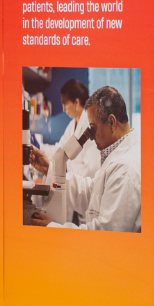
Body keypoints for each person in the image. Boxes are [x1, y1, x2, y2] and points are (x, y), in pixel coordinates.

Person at [31, 86, 141, 232]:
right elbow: (91, 192)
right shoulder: (117, 156)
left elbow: (106, 233)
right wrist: (49, 169)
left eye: (93, 128)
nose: (91, 136)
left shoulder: (125, 169)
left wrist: (53, 228)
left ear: (112, 122)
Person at [28, 78, 101, 214]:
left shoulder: (89, 124)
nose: (63, 109)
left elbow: (90, 168)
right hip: (74, 187)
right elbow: (60, 149)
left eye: (65, 104)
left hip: (85, 191)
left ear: (76, 102)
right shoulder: (72, 125)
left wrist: (64, 171)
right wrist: (39, 147)